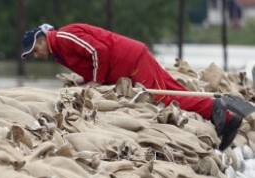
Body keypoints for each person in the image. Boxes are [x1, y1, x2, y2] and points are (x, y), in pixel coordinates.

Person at [21, 23, 255, 151]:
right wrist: (87, 80)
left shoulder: (62, 37)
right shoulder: (59, 51)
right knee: (171, 87)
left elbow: (98, 51)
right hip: (132, 57)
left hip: (130, 61)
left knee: (161, 99)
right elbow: (90, 61)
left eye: (35, 50)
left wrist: (95, 81)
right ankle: (220, 108)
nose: (36, 55)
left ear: (42, 40)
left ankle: (222, 114)